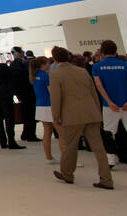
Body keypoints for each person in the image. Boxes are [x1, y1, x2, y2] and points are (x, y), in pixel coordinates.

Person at [49, 46, 114, 188]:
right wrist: (97, 111)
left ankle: (67, 173)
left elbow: (56, 98)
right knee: (99, 148)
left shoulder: (55, 74)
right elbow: (93, 93)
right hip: (91, 113)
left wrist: (56, 116)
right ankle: (106, 179)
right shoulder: (82, 71)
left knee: (70, 146)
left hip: (72, 116)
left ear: (54, 58)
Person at [92, 40, 127, 171]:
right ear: (115, 50)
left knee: (109, 133)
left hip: (109, 106)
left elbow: (99, 86)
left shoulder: (97, 67)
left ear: (103, 51)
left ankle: (111, 160)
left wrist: (109, 102)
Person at [10, 47, 39, 142]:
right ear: (19, 53)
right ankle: (30, 134)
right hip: (28, 91)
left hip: (22, 92)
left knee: (27, 113)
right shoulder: (23, 63)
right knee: (31, 113)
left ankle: (26, 133)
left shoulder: (13, 64)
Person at [31, 56, 57, 162]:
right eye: (47, 63)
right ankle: (68, 159)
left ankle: (48, 157)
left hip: (40, 105)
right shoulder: (45, 76)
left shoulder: (34, 76)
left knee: (47, 132)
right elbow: (51, 92)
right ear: (42, 65)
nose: (49, 65)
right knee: (61, 133)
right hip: (49, 105)